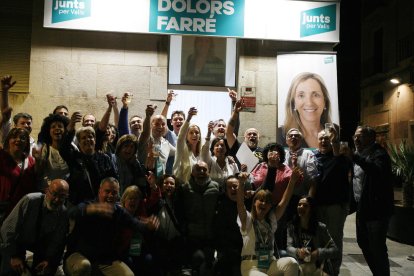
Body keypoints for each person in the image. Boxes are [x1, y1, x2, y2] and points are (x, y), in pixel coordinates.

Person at [64, 177, 159, 276]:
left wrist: (148, 225)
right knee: (84, 266)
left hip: (104, 261)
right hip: (80, 255)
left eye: (114, 193)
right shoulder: (88, 205)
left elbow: (135, 224)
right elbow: (71, 213)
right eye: (107, 191)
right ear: (99, 191)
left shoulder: (118, 212)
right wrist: (90, 209)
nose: (110, 195)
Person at [236, 170, 301, 276]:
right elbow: (239, 204)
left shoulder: (271, 221)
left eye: (267, 202)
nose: (264, 203)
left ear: (270, 206)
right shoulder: (247, 220)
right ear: (254, 203)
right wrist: (241, 183)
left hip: (270, 263)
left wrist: (292, 181)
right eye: (261, 200)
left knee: (291, 263)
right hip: (251, 266)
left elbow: (284, 201)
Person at [0, 179, 69, 276]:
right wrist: (13, 256)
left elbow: (58, 242)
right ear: (46, 191)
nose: (57, 199)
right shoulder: (30, 200)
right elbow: (8, 229)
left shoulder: (63, 213)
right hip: (17, 250)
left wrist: (49, 260)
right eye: (54, 194)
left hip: (40, 255)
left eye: (62, 197)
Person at [351, 125, 394, 276]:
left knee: (377, 247)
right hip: (362, 208)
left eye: (360, 136)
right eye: (355, 136)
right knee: (363, 243)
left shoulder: (379, 154)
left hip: (376, 210)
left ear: (371, 138)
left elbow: (376, 171)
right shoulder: (358, 154)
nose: (356, 139)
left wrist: (355, 157)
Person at [313, 127, 352, 275]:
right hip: (317, 205)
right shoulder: (314, 157)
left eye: (327, 138)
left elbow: (342, 163)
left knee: (334, 239)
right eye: (321, 138)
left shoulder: (340, 157)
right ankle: (320, 270)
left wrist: (335, 140)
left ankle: (333, 270)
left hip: (335, 206)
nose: (323, 141)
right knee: (318, 239)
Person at [175, 161, 221, 275]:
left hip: (211, 237)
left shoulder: (216, 188)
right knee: (198, 259)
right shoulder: (184, 188)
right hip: (192, 237)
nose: (201, 172)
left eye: (204, 169)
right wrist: (184, 228)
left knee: (208, 267)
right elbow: (178, 211)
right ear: (192, 172)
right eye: (198, 169)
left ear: (209, 172)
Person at [59, 124, 118, 205]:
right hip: (80, 206)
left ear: (95, 140)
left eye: (90, 137)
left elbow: (113, 179)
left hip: (102, 203)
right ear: (79, 142)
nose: (87, 140)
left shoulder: (104, 158)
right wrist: (70, 130)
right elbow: (63, 149)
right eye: (83, 138)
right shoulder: (74, 158)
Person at [277, 72, 334, 149]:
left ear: (325, 102)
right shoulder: (281, 135)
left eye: (315, 95)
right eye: (301, 95)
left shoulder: (334, 131)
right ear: (294, 103)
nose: (309, 103)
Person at [287, 196, 338, 275]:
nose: (301, 207)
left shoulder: (320, 228)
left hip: (317, 267)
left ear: (311, 209)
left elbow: (334, 250)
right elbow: (288, 247)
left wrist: (318, 253)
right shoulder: (292, 226)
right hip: (299, 264)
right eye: (299, 204)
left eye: (305, 205)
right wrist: (298, 252)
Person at [0, 128, 37, 220]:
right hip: (4, 207)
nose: (18, 140)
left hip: (23, 209)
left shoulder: (31, 161)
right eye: (14, 137)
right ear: (8, 140)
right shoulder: (2, 157)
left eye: (22, 138)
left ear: (27, 143)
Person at [213, 175, 244, 276]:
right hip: (229, 252)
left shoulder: (248, 202)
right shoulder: (222, 206)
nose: (233, 189)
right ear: (226, 191)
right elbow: (219, 233)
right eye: (229, 187)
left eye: (235, 186)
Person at [34, 114, 70, 190]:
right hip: (48, 192)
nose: (57, 128)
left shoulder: (71, 148)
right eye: (53, 127)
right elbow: (38, 172)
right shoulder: (45, 149)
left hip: (66, 193)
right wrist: (37, 160)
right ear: (49, 131)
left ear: (65, 129)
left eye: (60, 126)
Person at [201, 121, 239, 187]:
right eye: (217, 145)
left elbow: (237, 181)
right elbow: (204, 151)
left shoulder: (232, 164)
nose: (220, 147)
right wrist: (209, 133)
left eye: (222, 145)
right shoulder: (210, 162)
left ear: (226, 149)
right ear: (212, 149)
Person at [227, 99, 263, 163]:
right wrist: (235, 112)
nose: (252, 136)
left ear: (258, 138)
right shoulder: (238, 147)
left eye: (254, 134)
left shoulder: (264, 152)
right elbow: (229, 132)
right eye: (249, 134)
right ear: (244, 137)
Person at [172, 107, 201, 183]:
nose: (194, 135)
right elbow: (180, 137)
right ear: (186, 136)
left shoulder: (201, 153)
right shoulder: (182, 148)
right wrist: (188, 118)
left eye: (197, 133)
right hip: (182, 187)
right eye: (191, 133)